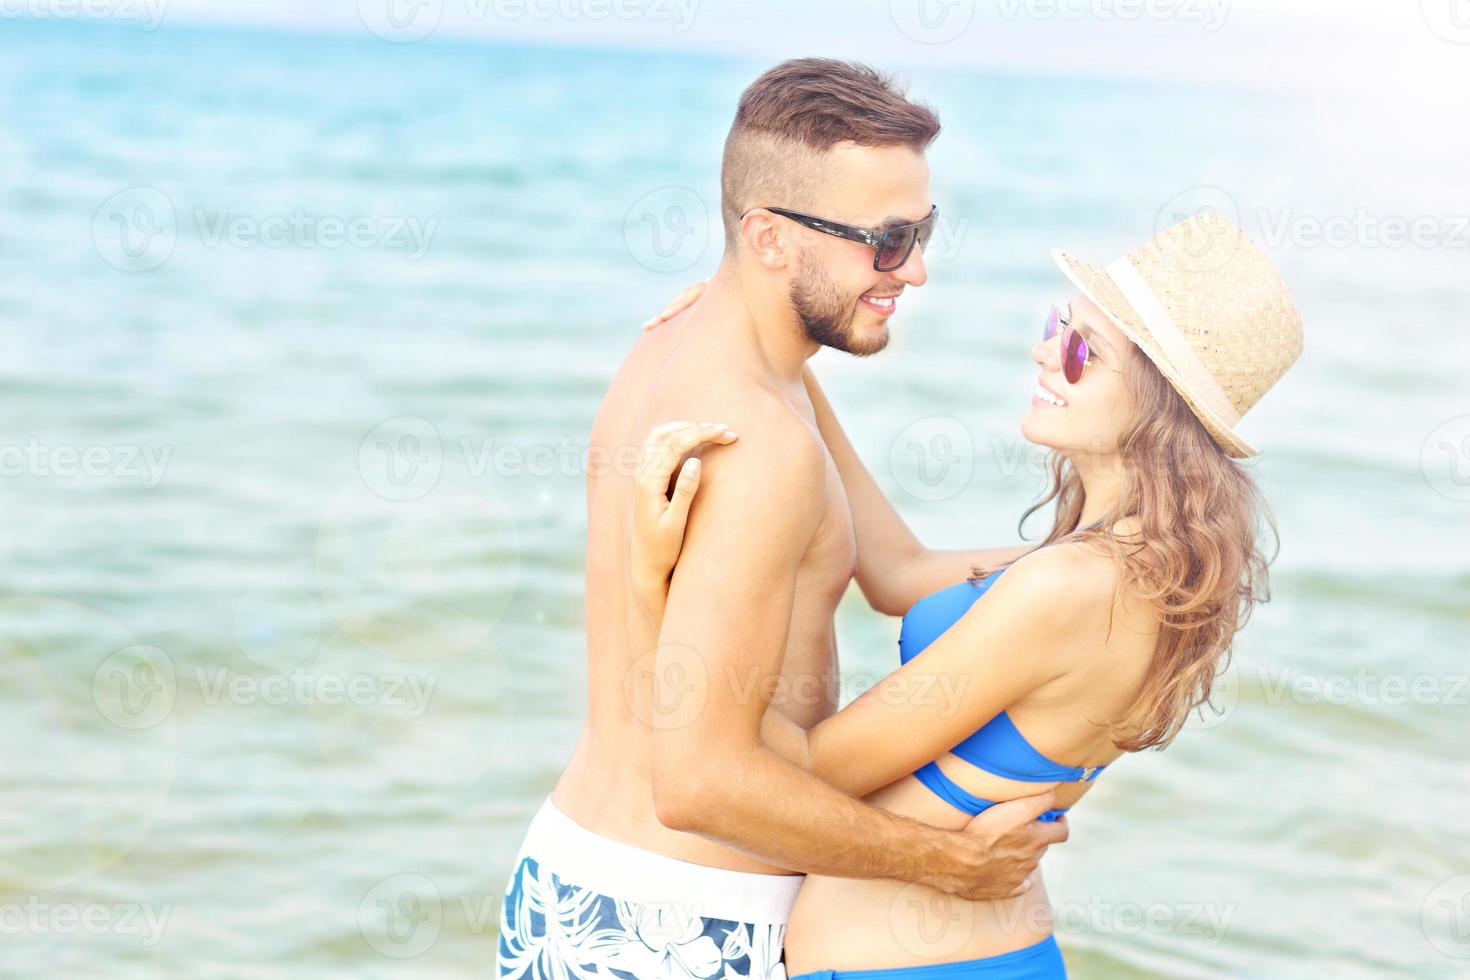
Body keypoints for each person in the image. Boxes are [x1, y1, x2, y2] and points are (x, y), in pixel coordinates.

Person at [497, 59, 1067, 980]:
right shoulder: (757, 440)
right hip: (679, 927)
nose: (914, 269)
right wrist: (948, 865)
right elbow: (698, 782)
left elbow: (896, 570)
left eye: (922, 231)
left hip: (587, 883)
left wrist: (1114, 558)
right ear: (766, 238)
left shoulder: (707, 355)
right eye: (885, 241)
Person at [631, 211, 1302, 977]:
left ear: (1159, 408)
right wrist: (764, 345)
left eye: (1084, 349)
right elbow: (896, 569)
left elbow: (809, 770)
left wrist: (655, 591)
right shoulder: (1138, 573)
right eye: (1060, 323)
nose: (1046, 352)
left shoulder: (1070, 587)